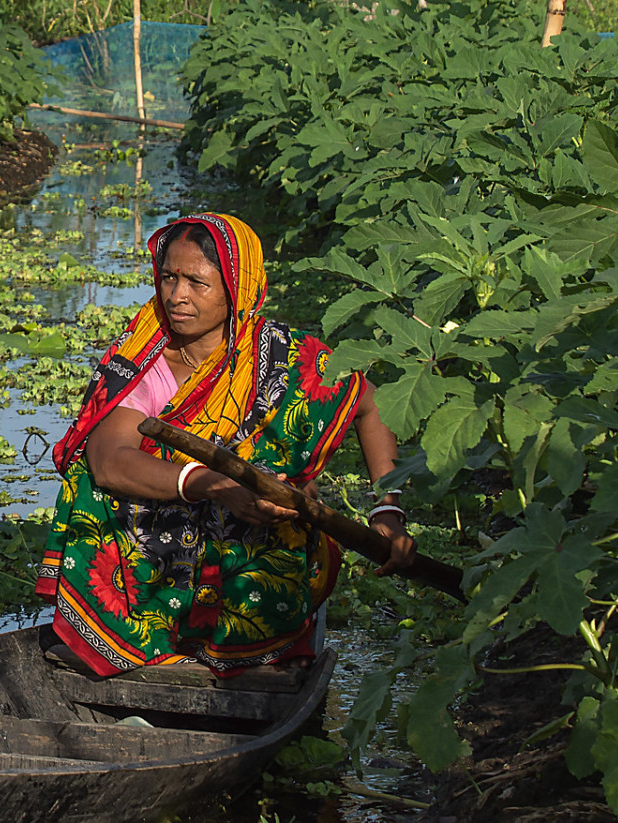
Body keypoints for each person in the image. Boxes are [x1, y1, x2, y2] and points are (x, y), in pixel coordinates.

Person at [33, 212, 416, 677]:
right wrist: (210, 483)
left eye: (197, 282)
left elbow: (369, 403)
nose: (177, 296)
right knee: (89, 485)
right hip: (158, 537)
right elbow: (108, 460)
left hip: (259, 536)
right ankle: (133, 634)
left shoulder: (282, 358)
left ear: (238, 286)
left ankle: (246, 642)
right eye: (169, 278)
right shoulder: (145, 357)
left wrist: (387, 512)